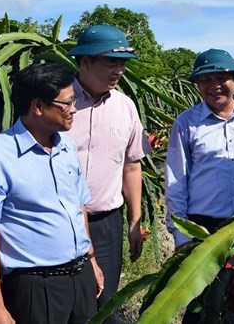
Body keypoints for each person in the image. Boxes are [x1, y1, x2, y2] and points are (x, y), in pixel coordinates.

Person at [0, 63, 104, 324]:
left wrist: (91, 261)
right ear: (38, 106)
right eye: (66, 103)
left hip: (81, 278)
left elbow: (78, 207)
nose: (74, 109)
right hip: (36, 287)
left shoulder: (67, 148)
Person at [67, 24, 149, 323]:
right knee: (62, 301)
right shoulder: (58, 103)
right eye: (111, 62)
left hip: (105, 224)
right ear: (84, 61)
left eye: (123, 63)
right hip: (57, 221)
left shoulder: (126, 107)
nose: (119, 70)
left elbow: (132, 164)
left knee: (104, 301)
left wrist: (133, 220)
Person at [165, 48, 234, 249]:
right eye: (205, 80)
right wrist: (181, 235)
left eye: (221, 78)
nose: (215, 86)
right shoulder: (186, 123)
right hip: (203, 227)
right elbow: (176, 180)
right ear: (197, 85)